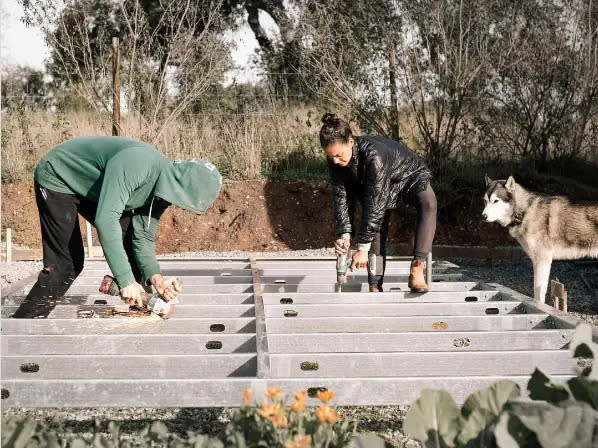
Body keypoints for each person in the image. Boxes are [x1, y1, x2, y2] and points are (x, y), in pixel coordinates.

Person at [12, 136, 222, 318]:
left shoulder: (163, 192)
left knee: (128, 236)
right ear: (181, 189)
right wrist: (125, 279)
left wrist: (155, 278)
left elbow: (142, 237)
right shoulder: (139, 165)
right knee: (68, 264)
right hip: (58, 176)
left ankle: (141, 306)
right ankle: (25, 322)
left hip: (89, 186)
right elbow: (106, 219)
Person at [320, 113, 437, 293]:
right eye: (331, 156)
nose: (335, 161)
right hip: (370, 183)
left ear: (350, 142)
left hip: (407, 175)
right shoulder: (334, 160)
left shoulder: (374, 155)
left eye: (338, 155)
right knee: (374, 230)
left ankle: (417, 268)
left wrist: (362, 248)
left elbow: (375, 206)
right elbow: (341, 196)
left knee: (428, 202)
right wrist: (344, 235)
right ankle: (375, 286)